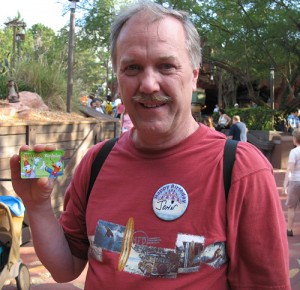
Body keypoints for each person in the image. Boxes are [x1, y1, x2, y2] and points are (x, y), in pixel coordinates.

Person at [10, 1, 290, 289]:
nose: (148, 84)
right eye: (132, 68)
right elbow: (66, 268)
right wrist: (38, 204)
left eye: (166, 66)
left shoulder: (242, 169)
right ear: (118, 78)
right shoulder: (97, 162)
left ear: (194, 75)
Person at [283, 128, 300, 237]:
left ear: (295, 139)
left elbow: (289, 169)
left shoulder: (294, 152)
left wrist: (285, 183)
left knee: (291, 207)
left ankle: (289, 229)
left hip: (295, 180)